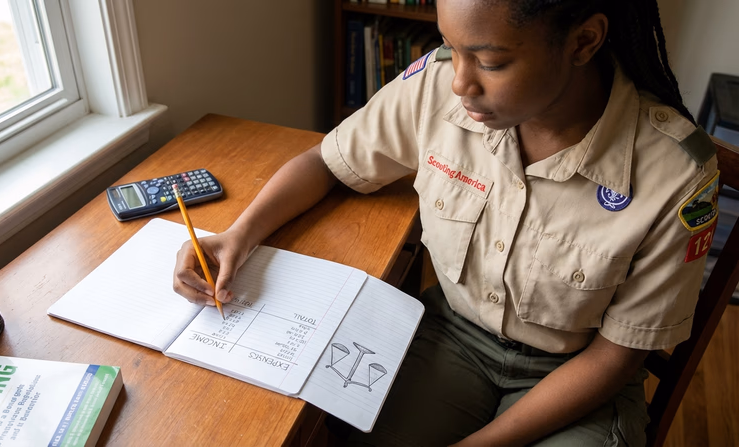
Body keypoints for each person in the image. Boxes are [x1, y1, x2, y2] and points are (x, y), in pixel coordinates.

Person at [173, 0, 719, 445]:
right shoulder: (435, 88)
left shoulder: (676, 174)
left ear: (583, 42)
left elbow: (617, 356)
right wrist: (239, 235)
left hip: (577, 375)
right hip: (454, 336)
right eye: (451, 48)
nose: (459, 83)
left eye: (491, 62)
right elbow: (326, 162)